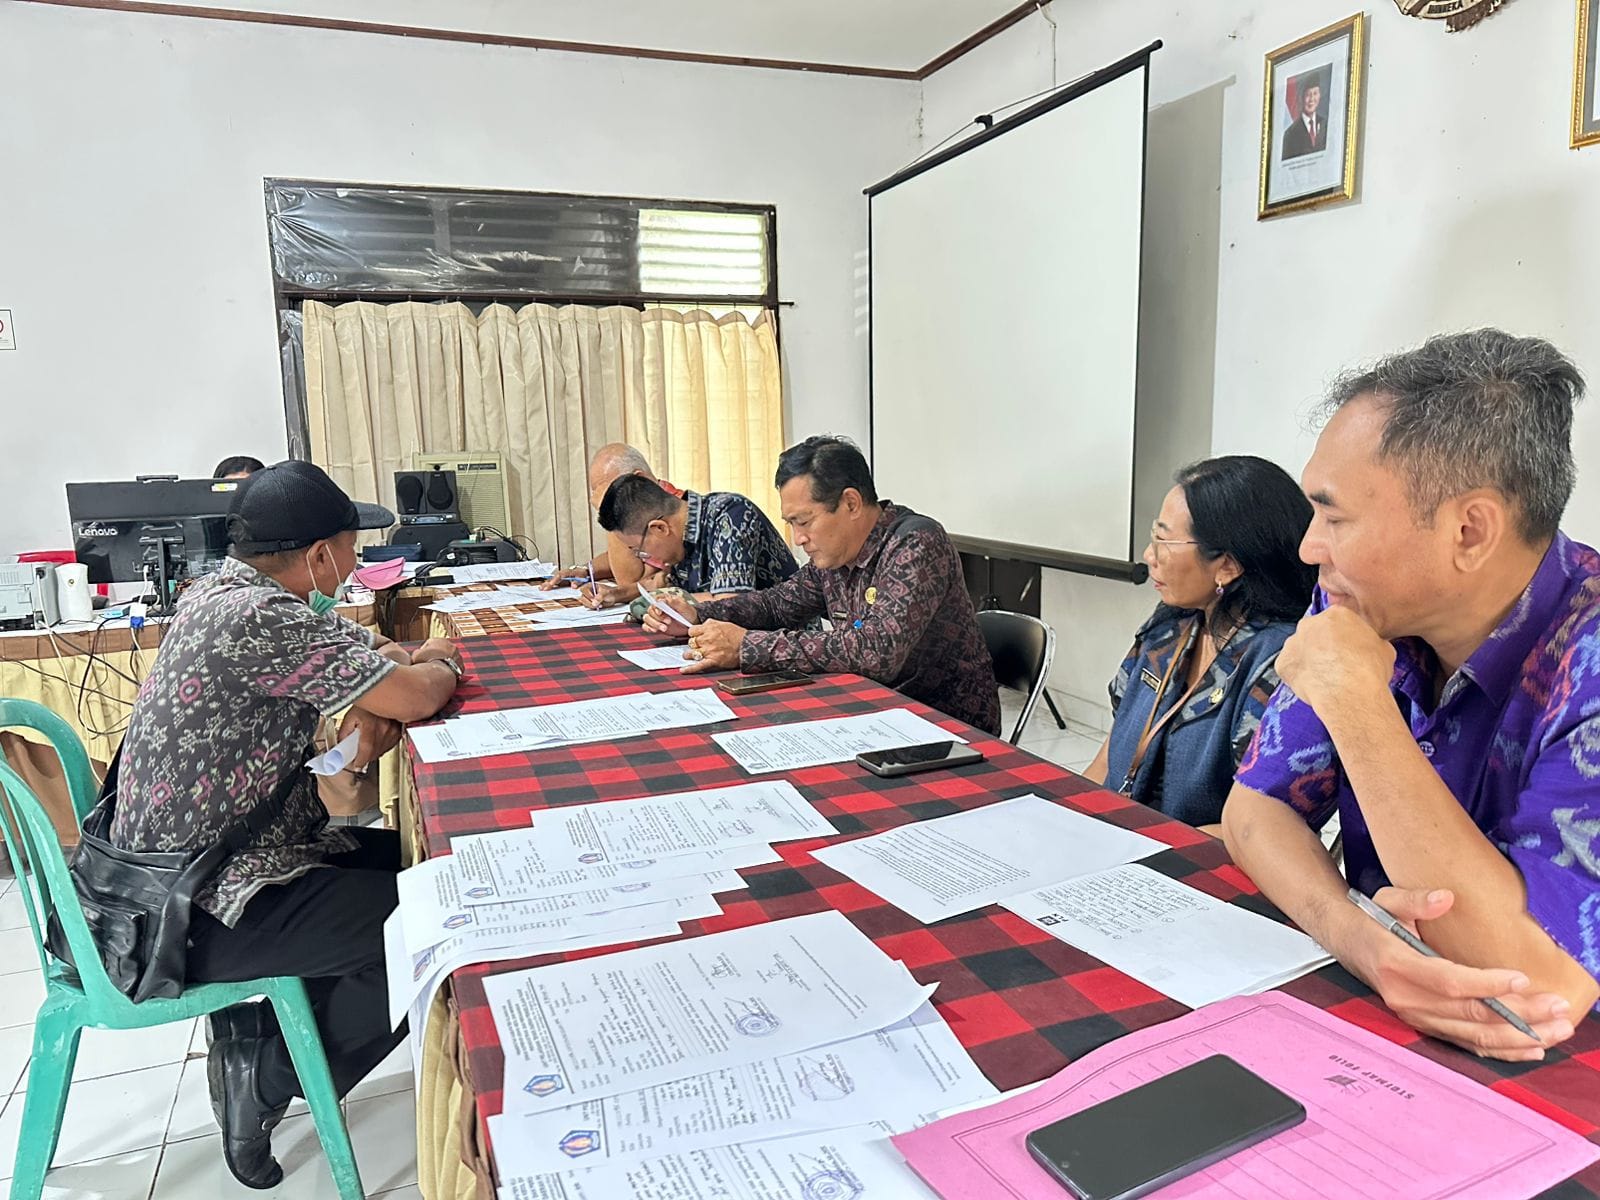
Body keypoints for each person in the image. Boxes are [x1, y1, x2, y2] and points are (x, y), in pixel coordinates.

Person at [1222, 329, 1600, 1062]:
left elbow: (1539, 985)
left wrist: (1359, 708)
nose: (1307, 548)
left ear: (1469, 530)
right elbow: (1254, 811)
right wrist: (1361, 938)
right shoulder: (1359, 601)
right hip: (1393, 1020)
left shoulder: (1584, 657)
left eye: (1335, 518)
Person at [110, 460, 465, 1187]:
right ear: (320, 556)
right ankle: (267, 1070)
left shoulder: (223, 593)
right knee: (434, 922)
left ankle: (263, 1035)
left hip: (191, 870)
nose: (357, 563)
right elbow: (415, 695)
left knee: (418, 866)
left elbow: (369, 661)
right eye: (352, 548)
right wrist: (440, 666)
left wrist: (395, 671)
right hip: (193, 905)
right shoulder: (260, 619)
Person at [645, 436, 1001, 735]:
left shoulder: (916, 543)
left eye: (804, 521)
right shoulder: (836, 555)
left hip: (944, 725)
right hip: (872, 709)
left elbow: (877, 652)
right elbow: (777, 604)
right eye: (791, 524)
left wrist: (748, 646)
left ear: (851, 503)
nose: (798, 538)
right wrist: (696, 614)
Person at [1081, 457, 1316, 833]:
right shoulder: (1171, 627)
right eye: (1154, 536)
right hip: (1123, 839)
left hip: (1197, 858)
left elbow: (1264, 832)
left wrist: (1137, 846)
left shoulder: (1280, 663)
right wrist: (1066, 819)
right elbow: (1108, 762)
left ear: (1227, 566)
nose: (1149, 556)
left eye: (1164, 541)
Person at [598, 474, 797, 601]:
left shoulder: (730, 515)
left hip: (786, 641)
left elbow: (730, 604)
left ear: (660, 528)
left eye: (640, 550)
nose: (645, 557)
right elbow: (662, 584)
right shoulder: (681, 536)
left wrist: (667, 601)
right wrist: (616, 594)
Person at [540, 442, 682, 607]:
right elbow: (631, 553)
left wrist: (610, 513)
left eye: (611, 494)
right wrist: (586, 571)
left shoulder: (673, 516)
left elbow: (629, 579)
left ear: (640, 479)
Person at [1282, 79, 1329, 159]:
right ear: (1301, 98)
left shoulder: (1326, 125)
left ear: (1319, 95)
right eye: (1308, 94)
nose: (1312, 99)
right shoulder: (1290, 134)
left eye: (1315, 93)